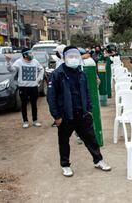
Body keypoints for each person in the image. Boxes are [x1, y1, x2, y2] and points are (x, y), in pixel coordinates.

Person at [47, 46, 111, 177]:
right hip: (65, 116)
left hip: (81, 113)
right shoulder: (57, 74)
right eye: (70, 56)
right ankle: (65, 165)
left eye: (75, 56)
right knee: (64, 141)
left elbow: (86, 92)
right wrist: (56, 116)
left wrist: (89, 109)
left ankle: (98, 160)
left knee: (91, 138)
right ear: (64, 58)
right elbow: (51, 97)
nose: (73, 59)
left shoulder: (81, 73)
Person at [6, 47, 44, 128]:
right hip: (23, 87)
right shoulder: (19, 62)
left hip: (33, 87)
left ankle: (35, 120)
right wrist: (8, 62)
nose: (31, 55)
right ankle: (25, 121)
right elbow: (11, 70)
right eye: (29, 53)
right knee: (24, 104)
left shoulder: (35, 61)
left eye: (31, 53)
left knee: (34, 104)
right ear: (25, 55)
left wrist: (38, 79)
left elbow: (41, 69)